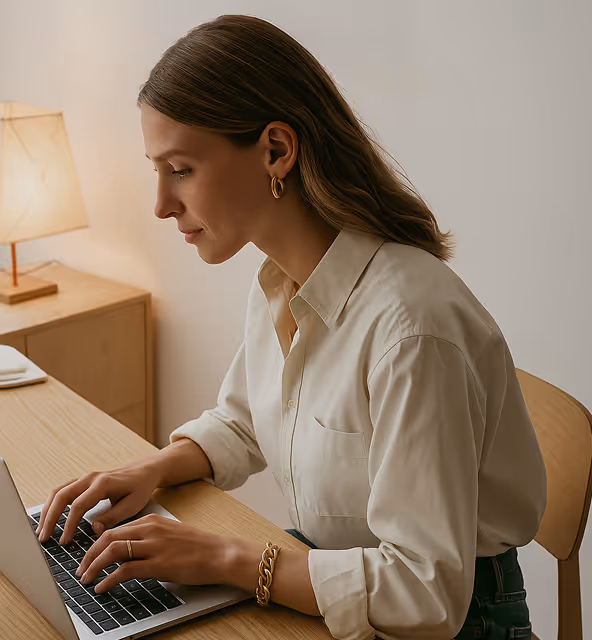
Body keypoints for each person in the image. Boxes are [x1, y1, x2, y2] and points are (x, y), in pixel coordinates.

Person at [35, 14, 547, 640]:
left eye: (181, 169)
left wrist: (225, 557)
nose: (161, 204)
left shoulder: (412, 333)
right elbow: (247, 419)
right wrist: (155, 468)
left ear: (276, 150)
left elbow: (425, 594)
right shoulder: (282, 279)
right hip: (344, 580)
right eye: (157, 169)